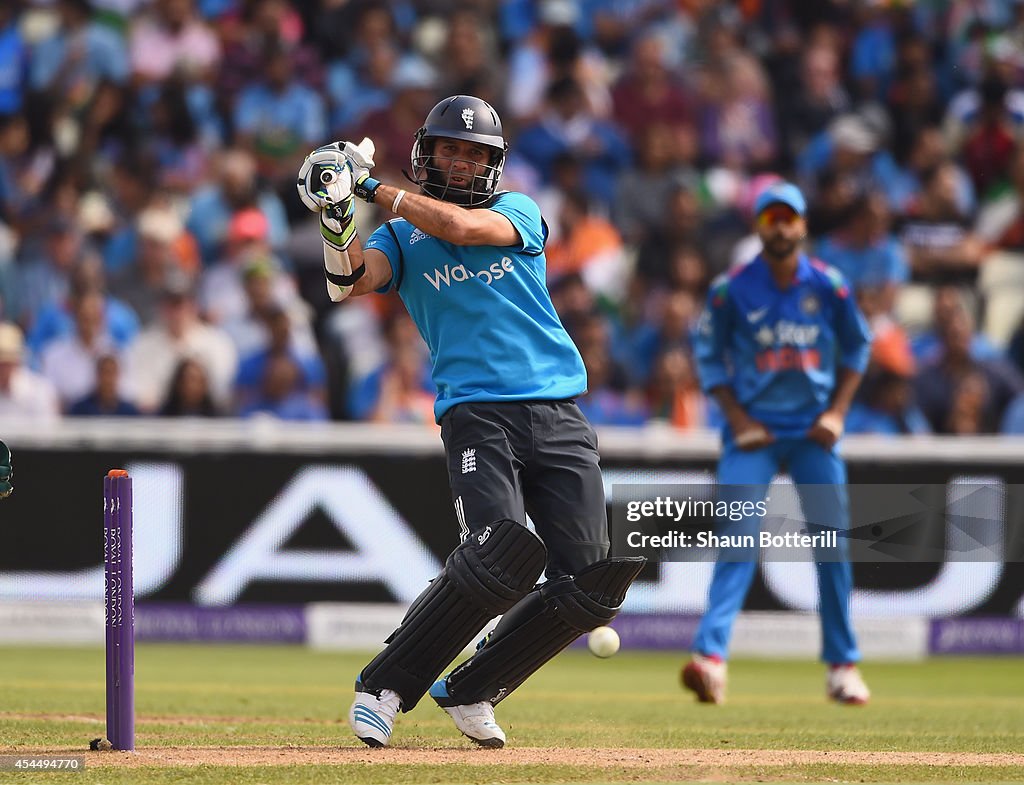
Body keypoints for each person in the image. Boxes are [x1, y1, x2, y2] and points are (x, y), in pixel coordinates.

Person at [296, 95, 645, 748]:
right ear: (428, 154)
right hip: (476, 413)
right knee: (499, 557)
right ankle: (386, 686)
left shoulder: (518, 210)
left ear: (494, 164)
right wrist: (337, 212)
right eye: (450, 150)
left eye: (474, 153)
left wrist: (370, 184)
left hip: (558, 410)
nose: (460, 162)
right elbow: (347, 282)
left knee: (594, 582)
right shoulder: (398, 236)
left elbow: (460, 229)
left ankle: (474, 687)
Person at [684, 182, 872, 706]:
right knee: (738, 542)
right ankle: (710, 660)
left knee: (833, 547)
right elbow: (707, 357)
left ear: (804, 225)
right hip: (755, 433)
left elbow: (859, 348)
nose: (782, 228)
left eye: (790, 219)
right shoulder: (732, 289)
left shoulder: (831, 286)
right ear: (759, 227)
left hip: (814, 430)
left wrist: (836, 414)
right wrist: (738, 419)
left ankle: (842, 667)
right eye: (772, 219)